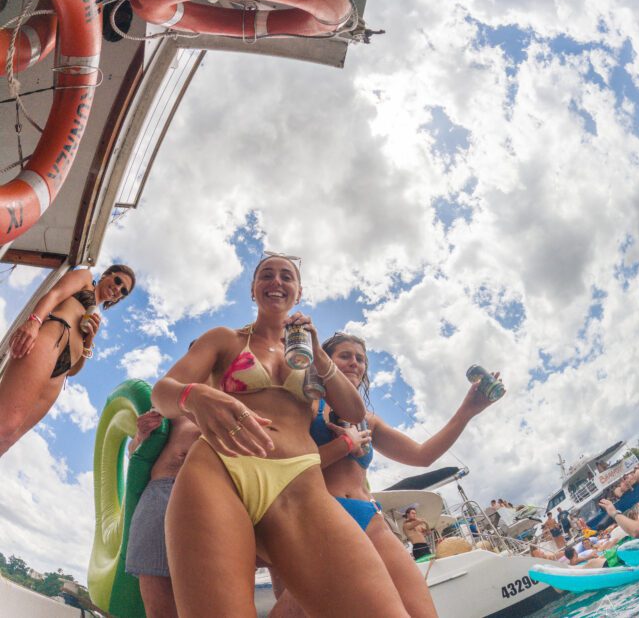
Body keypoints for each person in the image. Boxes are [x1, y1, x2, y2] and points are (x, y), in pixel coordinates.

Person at [151, 254, 411, 617]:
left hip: (300, 482)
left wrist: (319, 352)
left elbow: (353, 412)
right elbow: (162, 392)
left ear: (298, 292)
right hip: (220, 470)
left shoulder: (311, 358)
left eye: (286, 276)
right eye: (266, 275)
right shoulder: (224, 339)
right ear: (254, 289)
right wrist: (193, 395)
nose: (276, 281)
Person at [271, 331, 501, 618]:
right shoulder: (305, 406)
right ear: (323, 361)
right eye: (345, 356)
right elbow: (288, 466)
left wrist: (468, 410)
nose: (355, 363)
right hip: (326, 516)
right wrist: (345, 446)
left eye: (360, 359)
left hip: (370, 516)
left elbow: (422, 455)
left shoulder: (368, 421)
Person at [0, 265, 135, 456]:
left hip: (61, 372)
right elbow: (55, 294)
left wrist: (89, 341)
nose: (117, 289)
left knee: (8, 439)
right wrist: (34, 321)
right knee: (5, 424)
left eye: (123, 292)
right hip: (51, 340)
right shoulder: (85, 278)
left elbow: (74, 371)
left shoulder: (95, 319)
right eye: (118, 281)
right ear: (107, 275)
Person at [125, 408, 201, 618]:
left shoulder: (244, 395)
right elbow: (133, 453)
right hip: (161, 491)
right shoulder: (175, 403)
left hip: (210, 496)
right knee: (158, 612)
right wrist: (141, 434)